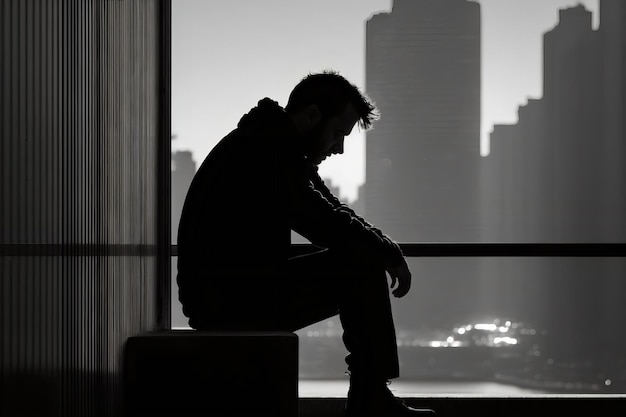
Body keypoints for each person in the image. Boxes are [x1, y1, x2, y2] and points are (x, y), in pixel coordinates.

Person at [176, 70, 435, 416]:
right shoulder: (266, 152)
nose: (339, 148)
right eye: (336, 134)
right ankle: (370, 399)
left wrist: (384, 247)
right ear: (312, 115)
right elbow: (325, 222)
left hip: (228, 292)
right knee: (361, 267)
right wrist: (385, 252)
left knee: (362, 258)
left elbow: (332, 211)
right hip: (229, 301)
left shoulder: (270, 143)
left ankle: (371, 396)